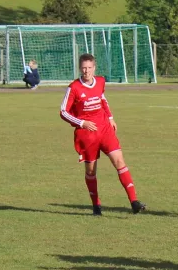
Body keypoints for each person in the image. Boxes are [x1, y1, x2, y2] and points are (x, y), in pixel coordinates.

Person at [60, 53, 146, 216]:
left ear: (94, 68)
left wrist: (111, 117)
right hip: (87, 134)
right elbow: (63, 111)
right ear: (80, 68)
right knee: (91, 171)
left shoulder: (100, 81)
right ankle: (96, 206)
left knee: (119, 161)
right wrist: (81, 123)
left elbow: (102, 99)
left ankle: (134, 202)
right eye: (84, 68)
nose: (87, 71)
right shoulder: (74, 88)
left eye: (89, 68)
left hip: (105, 129)